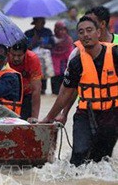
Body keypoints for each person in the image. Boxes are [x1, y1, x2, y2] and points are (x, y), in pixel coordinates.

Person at [41, 16, 118, 166]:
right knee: (78, 155)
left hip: (111, 114)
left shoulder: (115, 54)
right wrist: (50, 117)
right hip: (85, 114)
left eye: (89, 30)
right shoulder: (76, 62)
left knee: (102, 159)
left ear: (98, 32)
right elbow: (65, 93)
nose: (85, 35)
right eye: (81, 32)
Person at [56, 6, 118, 124]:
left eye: (90, 23)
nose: (85, 25)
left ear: (102, 25)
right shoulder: (78, 53)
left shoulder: (116, 48)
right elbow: (71, 88)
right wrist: (64, 113)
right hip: (88, 111)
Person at [8, 40, 42, 122]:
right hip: (8, 93)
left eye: (19, 55)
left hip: (26, 93)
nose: (16, 58)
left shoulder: (32, 59)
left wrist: (34, 117)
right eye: (13, 55)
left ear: (25, 53)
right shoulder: (3, 57)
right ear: (8, 52)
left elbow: (36, 90)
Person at [25, 17, 55, 94]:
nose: (41, 24)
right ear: (34, 23)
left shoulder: (48, 32)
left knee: (43, 77)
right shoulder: (28, 33)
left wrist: (44, 46)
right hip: (32, 59)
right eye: (39, 22)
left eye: (42, 22)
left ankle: (43, 89)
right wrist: (34, 41)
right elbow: (25, 48)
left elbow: (52, 45)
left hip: (44, 60)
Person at [51, 21, 74, 95]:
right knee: (55, 89)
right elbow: (49, 50)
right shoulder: (52, 39)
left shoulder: (68, 39)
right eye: (59, 29)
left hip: (65, 63)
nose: (61, 32)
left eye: (63, 29)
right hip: (54, 64)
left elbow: (70, 52)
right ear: (55, 29)